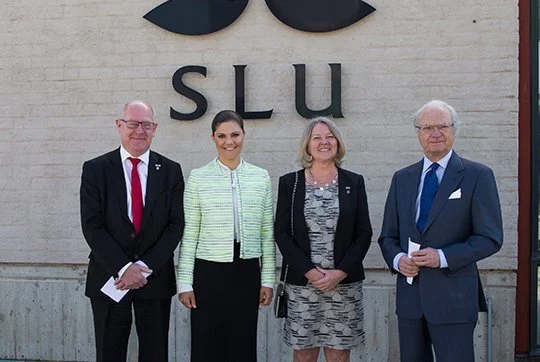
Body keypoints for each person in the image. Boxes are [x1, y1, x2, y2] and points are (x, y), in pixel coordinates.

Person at [378, 100, 503, 362]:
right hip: (411, 302)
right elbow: (388, 237)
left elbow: (490, 238)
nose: (435, 133)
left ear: (454, 130)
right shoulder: (402, 178)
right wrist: (398, 260)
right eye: (427, 127)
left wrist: (442, 257)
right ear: (418, 133)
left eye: (442, 126)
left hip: (454, 301)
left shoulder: (477, 175)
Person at [80, 100, 184, 362]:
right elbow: (92, 225)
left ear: (155, 128)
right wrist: (125, 267)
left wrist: (144, 267)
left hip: (154, 277)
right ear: (119, 125)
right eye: (133, 123)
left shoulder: (170, 171)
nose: (139, 130)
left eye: (146, 125)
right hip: (110, 277)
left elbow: (175, 226)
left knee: (155, 353)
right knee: (109, 352)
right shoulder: (95, 169)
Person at [177, 110, 275, 362]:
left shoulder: (260, 177)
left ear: (244, 135)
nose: (229, 141)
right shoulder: (198, 177)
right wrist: (184, 282)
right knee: (206, 342)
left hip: (246, 270)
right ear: (213, 138)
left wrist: (268, 279)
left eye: (235, 134)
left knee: (242, 343)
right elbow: (189, 233)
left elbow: (267, 232)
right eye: (221, 136)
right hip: (207, 271)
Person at [274, 117, 373, 362]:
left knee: (339, 355)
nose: (324, 142)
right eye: (317, 138)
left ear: (337, 143)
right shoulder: (291, 183)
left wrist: (339, 273)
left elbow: (364, 233)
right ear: (307, 146)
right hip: (303, 286)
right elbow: (282, 233)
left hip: (344, 285)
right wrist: (310, 272)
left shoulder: (353, 182)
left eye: (329, 137)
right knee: (304, 355)